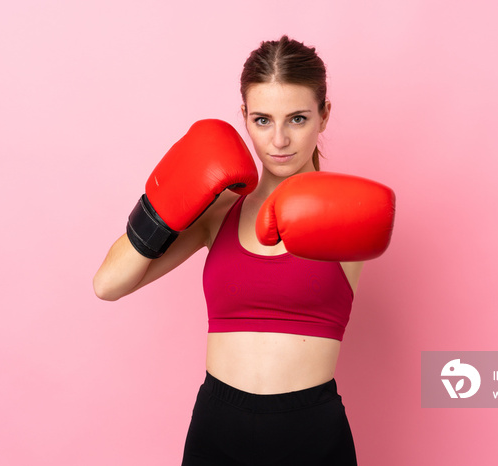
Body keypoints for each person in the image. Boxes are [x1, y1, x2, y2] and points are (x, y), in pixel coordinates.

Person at [93, 36, 395, 466]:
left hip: (309, 430)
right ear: (244, 119)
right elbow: (107, 285)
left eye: (297, 118)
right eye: (262, 120)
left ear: (324, 115)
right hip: (217, 427)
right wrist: (164, 203)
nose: (279, 140)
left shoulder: (348, 213)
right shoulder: (220, 212)